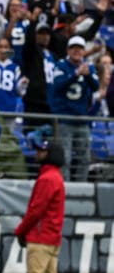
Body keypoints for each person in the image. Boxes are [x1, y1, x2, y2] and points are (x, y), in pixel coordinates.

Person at [14, 140, 65, 273]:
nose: (37, 153)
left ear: (50, 154)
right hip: (52, 239)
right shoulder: (56, 176)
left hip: (40, 239)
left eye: (42, 151)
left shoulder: (47, 178)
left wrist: (20, 231)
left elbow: (35, 211)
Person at [52, 35, 98, 181]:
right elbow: (57, 86)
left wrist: (88, 75)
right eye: (73, 48)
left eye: (79, 49)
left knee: (84, 158)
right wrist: (75, 74)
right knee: (65, 158)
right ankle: (64, 187)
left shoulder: (89, 67)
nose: (76, 51)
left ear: (84, 51)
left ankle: (81, 187)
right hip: (65, 119)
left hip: (82, 119)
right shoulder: (60, 65)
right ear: (68, 50)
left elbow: (96, 86)